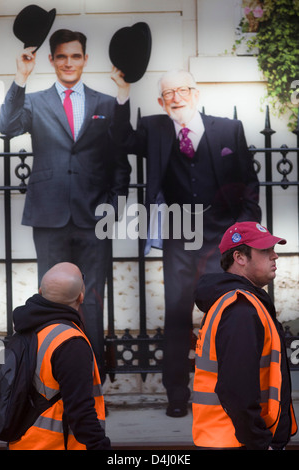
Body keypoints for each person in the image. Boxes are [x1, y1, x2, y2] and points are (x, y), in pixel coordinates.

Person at [110, 67, 261, 417]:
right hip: (181, 233)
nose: (176, 97)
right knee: (178, 315)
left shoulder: (228, 128)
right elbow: (121, 140)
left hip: (223, 235)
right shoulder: (155, 129)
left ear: (195, 93)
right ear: (161, 102)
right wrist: (121, 94)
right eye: (168, 94)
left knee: (227, 313)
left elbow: (248, 182)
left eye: (182, 90)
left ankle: (232, 392)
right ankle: (177, 395)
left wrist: (243, 231)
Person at [0, 29, 131, 382]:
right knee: (55, 297)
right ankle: (56, 375)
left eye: (75, 56)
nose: (68, 62)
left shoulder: (105, 104)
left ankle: (91, 375)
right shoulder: (35, 101)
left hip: (94, 216)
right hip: (49, 214)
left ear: (85, 60)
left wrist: (113, 205)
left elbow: (120, 157)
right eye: (61, 56)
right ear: (52, 60)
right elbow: (6, 126)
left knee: (91, 298)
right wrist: (20, 79)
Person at [192, 221, 297, 450]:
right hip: (237, 443)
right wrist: (260, 443)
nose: (275, 256)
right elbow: (235, 390)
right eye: (265, 250)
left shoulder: (237, 303)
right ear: (239, 257)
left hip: (229, 440)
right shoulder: (240, 310)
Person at [9, 262, 111, 450]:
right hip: (55, 445)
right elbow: (81, 411)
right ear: (81, 297)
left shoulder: (26, 330)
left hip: (22, 442)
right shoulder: (70, 342)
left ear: (40, 291)